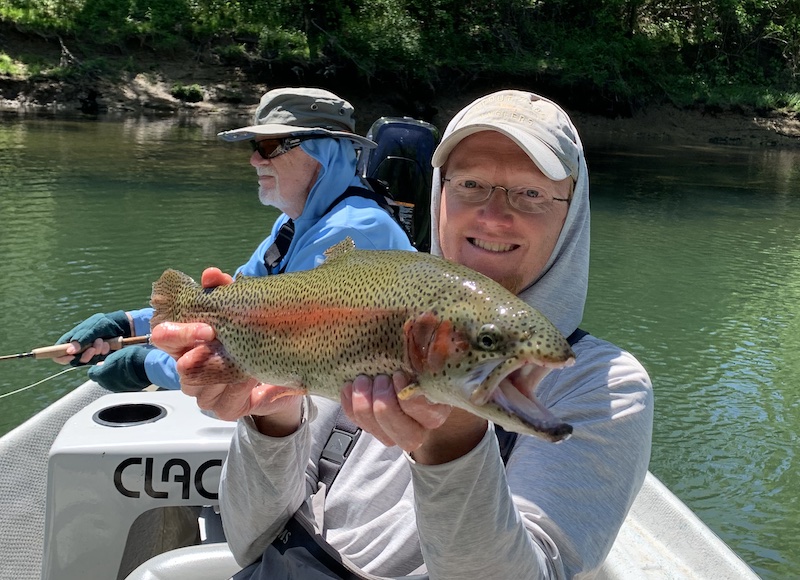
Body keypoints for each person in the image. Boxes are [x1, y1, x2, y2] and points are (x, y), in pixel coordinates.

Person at [151, 89, 654, 578]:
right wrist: (274, 419)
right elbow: (250, 542)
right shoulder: (369, 313)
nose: (495, 216)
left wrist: (450, 445)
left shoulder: (605, 389)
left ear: (572, 213)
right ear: (438, 196)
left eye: (532, 193)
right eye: (470, 185)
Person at [54, 87, 414, 391]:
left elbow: (274, 362)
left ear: (323, 151)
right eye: (254, 145)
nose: (255, 159)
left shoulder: (352, 233)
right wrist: (131, 324)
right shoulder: (298, 220)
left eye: (270, 145)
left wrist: (148, 365)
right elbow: (234, 305)